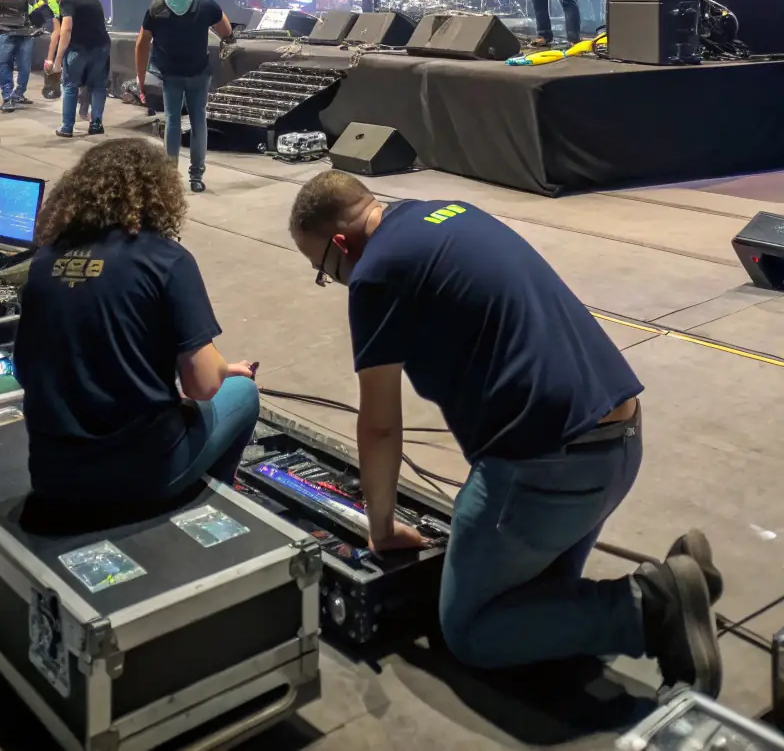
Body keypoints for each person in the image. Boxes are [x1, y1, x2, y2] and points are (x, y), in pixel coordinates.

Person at [287, 171, 723, 696]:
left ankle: (652, 606)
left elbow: (379, 424)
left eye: (325, 270)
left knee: (472, 631)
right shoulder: (449, 212)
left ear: (341, 243)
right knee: (533, 597)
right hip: (618, 444)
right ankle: (679, 589)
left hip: (548, 472)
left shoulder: (377, 272)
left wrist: (380, 527)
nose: (333, 280)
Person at [14, 139, 259, 510]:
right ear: (159, 194)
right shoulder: (167, 260)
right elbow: (203, 386)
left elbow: (24, 371)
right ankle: (208, 500)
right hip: (140, 478)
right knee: (242, 392)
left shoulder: (44, 261)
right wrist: (225, 370)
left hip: (52, 476)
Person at [134, 0, 234, 195]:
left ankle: (170, 177)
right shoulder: (205, 2)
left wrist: (141, 79)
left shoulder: (156, 6)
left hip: (170, 75)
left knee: (172, 121)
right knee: (199, 121)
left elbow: (141, 43)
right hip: (199, 72)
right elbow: (227, 30)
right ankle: (196, 176)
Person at [44, 0, 111, 139]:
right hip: (101, 46)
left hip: (79, 48)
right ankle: (96, 125)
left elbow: (66, 29)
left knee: (70, 86)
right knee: (98, 87)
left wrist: (58, 59)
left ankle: (67, 127)